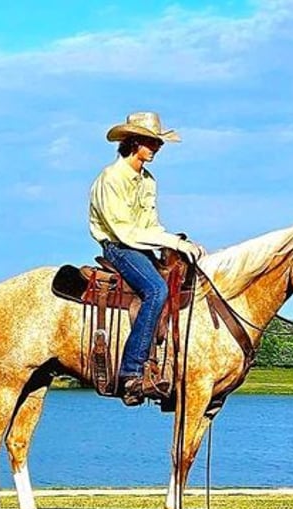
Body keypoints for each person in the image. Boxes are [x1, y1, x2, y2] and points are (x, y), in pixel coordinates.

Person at [89, 112, 204, 405]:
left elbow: (151, 226)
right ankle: (131, 371)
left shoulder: (148, 180)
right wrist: (170, 241)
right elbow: (124, 232)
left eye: (157, 143)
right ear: (135, 142)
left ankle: (169, 368)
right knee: (156, 290)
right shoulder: (111, 179)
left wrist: (177, 244)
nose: (157, 148)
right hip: (119, 246)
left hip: (140, 246)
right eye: (152, 143)